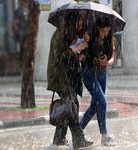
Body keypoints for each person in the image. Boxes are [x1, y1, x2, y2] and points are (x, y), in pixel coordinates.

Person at [47, 12, 93, 149]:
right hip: (61, 77)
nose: (80, 26)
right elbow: (60, 57)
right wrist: (75, 49)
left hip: (71, 76)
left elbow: (75, 55)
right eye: (79, 23)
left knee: (71, 107)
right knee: (70, 107)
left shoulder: (72, 35)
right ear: (72, 22)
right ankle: (76, 140)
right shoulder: (59, 35)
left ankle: (60, 140)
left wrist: (85, 44)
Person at [80, 17, 115, 146]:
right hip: (89, 73)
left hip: (102, 72)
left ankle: (79, 129)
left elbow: (112, 58)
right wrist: (94, 60)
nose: (105, 34)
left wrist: (107, 62)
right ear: (98, 28)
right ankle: (104, 135)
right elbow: (83, 57)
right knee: (102, 102)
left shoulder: (108, 40)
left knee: (96, 105)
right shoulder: (89, 38)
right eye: (103, 31)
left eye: (107, 31)